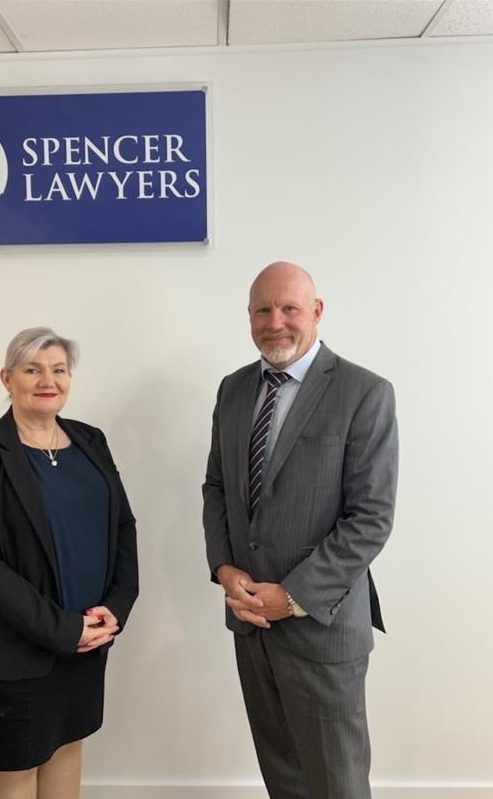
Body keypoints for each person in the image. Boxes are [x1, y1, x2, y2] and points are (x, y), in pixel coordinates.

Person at [202, 262, 398, 799]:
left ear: (316, 311)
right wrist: (224, 570)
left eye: (289, 308)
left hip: (322, 626)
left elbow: (370, 518)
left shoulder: (364, 392)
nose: (275, 321)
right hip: (249, 624)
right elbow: (216, 486)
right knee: (283, 777)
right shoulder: (235, 390)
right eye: (262, 310)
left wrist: (289, 598)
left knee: (336, 784)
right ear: (248, 317)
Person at [0, 327, 138, 799]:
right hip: (10, 649)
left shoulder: (92, 441)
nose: (47, 380)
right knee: (14, 770)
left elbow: (122, 527)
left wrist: (116, 606)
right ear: (7, 379)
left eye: (58, 370)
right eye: (32, 370)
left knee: (67, 748)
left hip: (87, 640)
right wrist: (62, 629)